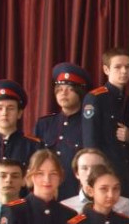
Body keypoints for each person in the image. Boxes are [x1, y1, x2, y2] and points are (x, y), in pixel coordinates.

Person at [82, 47, 129, 198]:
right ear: (106, 70)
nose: (124, 71)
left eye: (127, 67)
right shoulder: (95, 98)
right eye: (118, 67)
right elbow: (91, 141)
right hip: (106, 172)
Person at [0, 79, 43, 202]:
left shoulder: (34, 146)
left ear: (19, 113)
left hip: (23, 209)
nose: (4, 113)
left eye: (10, 108)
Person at [35, 63, 90, 200]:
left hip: (76, 194)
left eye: (70, 89)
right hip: (48, 192)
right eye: (59, 89)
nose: (63, 93)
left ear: (80, 92)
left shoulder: (88, 123)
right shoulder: (44, 124)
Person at [60, 149, 129, 220]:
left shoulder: (124, 205)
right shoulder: (65, 207)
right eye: (84, 168)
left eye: (96, 168)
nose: (89, 173)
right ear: (77, 173)